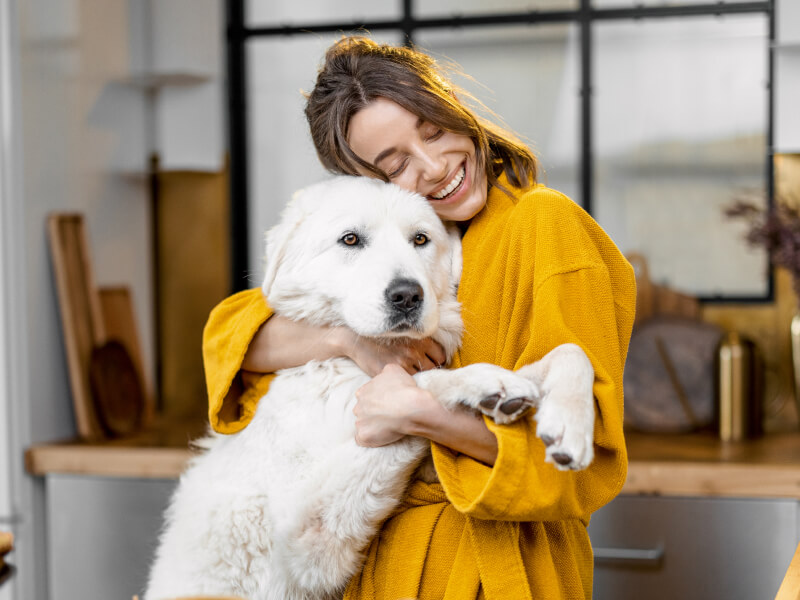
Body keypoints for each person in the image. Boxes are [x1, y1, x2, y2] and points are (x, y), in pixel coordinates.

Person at [202, 36, 636, 600]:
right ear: (368, 184)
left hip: (492, 573)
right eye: (397, 164)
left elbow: (580, 465)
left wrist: (420, 417)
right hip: (374, 569)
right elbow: (235, 333)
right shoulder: (407, 251)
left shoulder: (544, 226)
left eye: (433, 131)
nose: (434, 168)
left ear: (454, 106)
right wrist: (348, 341)